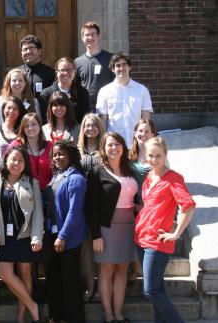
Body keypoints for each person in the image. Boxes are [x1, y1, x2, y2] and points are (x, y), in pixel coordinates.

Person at [135, 137, 196, 323]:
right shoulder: (149, 176)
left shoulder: (174, 178)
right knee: (158, 289)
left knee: (150, 291)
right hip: (140, 238)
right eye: (151, 155)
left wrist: (176, 234)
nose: (154, 160)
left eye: (158, 156)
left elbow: (188, 206)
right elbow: (150, 206)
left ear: (166, 155)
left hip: (158, 241)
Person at [0, 145, 44, 323]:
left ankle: (22, 315)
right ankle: (33, 306)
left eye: (20, 160)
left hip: (24, 236)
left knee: (25, 274)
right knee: (5, 273)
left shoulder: (32, 182)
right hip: (3, 236)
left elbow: (38, 213)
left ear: (25, 163)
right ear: (6, 160)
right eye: (13, 159)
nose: (16, 163)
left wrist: (37, 237)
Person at [86, 132, 138, 323]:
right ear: (104, 149)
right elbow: (90, 206)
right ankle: (108, 314)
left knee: (123, 268)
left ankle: (118, 312)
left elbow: (136, 199)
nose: (114, 148)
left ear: (123, 147)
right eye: (109, 145)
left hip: (128, 226)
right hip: (106, 227)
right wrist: (96, 235)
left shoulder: (130, 170)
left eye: (117, 144)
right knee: (106, 270)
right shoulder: (96, 172)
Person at [43, 140, 87, 323]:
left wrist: (63, 236)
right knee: (55, 279)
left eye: (60, 154)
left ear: (70, 155)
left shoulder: (76, 178)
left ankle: (74, 318)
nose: (56, 158)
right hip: (52, 234)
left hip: (68, 238)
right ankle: (56, 316)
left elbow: (74, 211)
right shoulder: (57, 175)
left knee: (70, 281)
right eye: (54, 155)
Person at [76, 112, 105, 302]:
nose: (90, 128)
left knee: (103, 250)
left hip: (102, 206)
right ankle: (90, 287)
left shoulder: (105, 150)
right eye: (87, 125)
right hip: (82, 206)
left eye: (94, 125)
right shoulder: (77, 151)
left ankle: (103, 288)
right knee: (86, 249)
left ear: (99, 128)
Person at [96, 53, 153, 147]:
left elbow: (146, 120)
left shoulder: (142, 90)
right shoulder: (104, 92)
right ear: (112, 69)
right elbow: (103, 121)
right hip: (115, 145)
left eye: (124, 64)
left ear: (130, 67)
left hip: (137, 143)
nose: (121, 68)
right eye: (118, 65)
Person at [127, 118, 157, 285]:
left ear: (153, 134)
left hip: (152, 208)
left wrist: (147, 207)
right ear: (134, 133)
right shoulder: (127, 155)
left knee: (146, 240)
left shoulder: (158, 155)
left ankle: (145, 272)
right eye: (140, 131)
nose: (143, 134)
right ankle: (134, 267)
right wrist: (136, 205)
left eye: (147, 131)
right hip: (131, 205)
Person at [74, 21, 115, 108]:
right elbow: (75, 86)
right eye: (87, 35)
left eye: (93, 34)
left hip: (107, 106)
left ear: (98, 36)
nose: (90, 37)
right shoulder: (77, 62)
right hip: (85, 107)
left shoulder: (111, 58)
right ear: (82, 38)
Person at [39, 57, 91, 124]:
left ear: (74, 72)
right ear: (57, 73)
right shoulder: (46, 94)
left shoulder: (82, 92)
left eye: (69, 70)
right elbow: (44, 119)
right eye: (62, 70)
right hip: (53, 132)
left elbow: (85, 118)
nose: (66, 73)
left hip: (76, 132)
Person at [8, 113, 52, 190]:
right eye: (27, 126)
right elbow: (6, 167)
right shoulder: (16, 145)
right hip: (24, 194)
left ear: (40, 126)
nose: (30, 128)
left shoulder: (50, 146)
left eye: (34, 124)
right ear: (23, 129)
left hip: (47, 192)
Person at [0, 96, 26, 171]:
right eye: (8, 108)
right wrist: (6, 171)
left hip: (21, 175)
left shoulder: (23, 131)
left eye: (15, 109)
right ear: (3, 110)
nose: (11, 111)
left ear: (19, 112)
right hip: (0, 174)